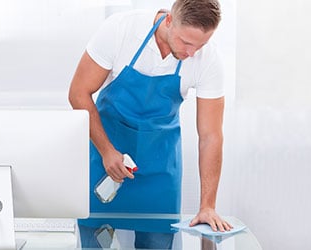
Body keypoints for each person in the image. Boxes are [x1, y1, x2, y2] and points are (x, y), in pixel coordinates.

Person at [68, 0, 233, 248]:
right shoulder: (121, 29)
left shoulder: (208, 59)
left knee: (157, 242)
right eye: (186, 43)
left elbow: (210, 136)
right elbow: (78, 93)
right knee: (98, 243)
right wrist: (106, 151)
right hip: (106, 161)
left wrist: (207, 206)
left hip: (160, 170)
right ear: (168, 20)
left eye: (200, 45)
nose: (192, 53)